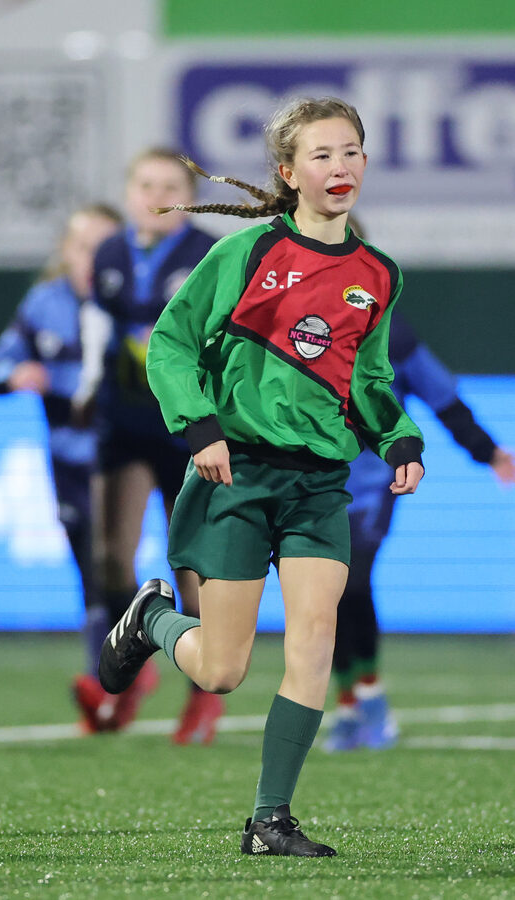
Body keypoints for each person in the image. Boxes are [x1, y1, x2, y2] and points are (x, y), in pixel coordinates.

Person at [97, 96, 425, 857]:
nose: (339, 167)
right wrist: (198, 425)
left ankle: (270, 821)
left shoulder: (377, 273)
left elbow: (370, 378)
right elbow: (173, 344)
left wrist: (399, 440)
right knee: (221, 671)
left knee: (314, 637)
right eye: (321, 155)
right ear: (287, 172)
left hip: (319, 484)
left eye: (350, 152)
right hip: (237, 474)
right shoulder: (244, 255)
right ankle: (152, 621)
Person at [76, 149, 223, 741]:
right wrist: (90, 380)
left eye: (170, 186)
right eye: (146, 185)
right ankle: (132, 658)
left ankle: (204, 691)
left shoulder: (211, 255)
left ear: (190, 198)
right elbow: (98, 318)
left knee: (190, 561)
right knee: (111, 554)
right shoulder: (111, 251)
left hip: (189, 427)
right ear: (129, 192)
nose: (156, 197)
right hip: (126, 421)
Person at [325, 313, 514, 751]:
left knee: (352, 582)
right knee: (322, 592)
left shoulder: (393, 335)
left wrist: (487, 451)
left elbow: (442, 397)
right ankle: (348, 705)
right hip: (311, 480)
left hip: (372, 482)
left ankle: (369, 696)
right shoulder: (300, 325)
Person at [0, 203, 123, 732]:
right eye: (83, 247)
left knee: (108, 564)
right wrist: (14, 372)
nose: (92, 259)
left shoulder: (139, 304)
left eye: (104, 248)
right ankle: (112, 680)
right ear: (66, 251)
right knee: (91, 569)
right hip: (68, 459)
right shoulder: (44, 303)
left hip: (124, 458)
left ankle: (110, 681)